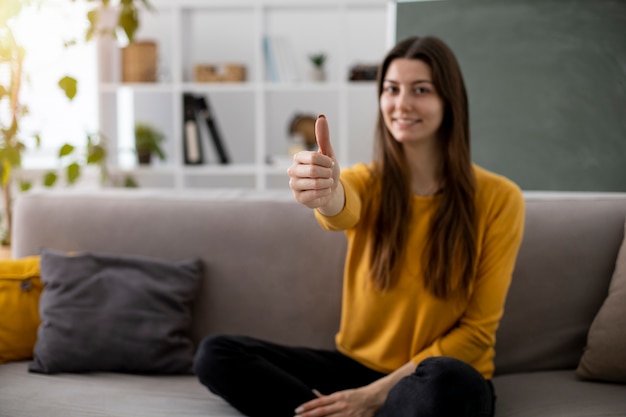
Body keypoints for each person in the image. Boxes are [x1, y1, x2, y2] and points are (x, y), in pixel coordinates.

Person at [193, 35, 525, 417]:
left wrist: (374, 395)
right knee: (216, 353)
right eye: (391, 89)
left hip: (431, 377)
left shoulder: (500, 198)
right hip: (355, 368)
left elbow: (477, 334)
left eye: (420, 90)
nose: (402, 104)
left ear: (450, 101)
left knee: (451, 382)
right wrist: (327, 191)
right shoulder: (366, 181)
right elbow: (341, 207)